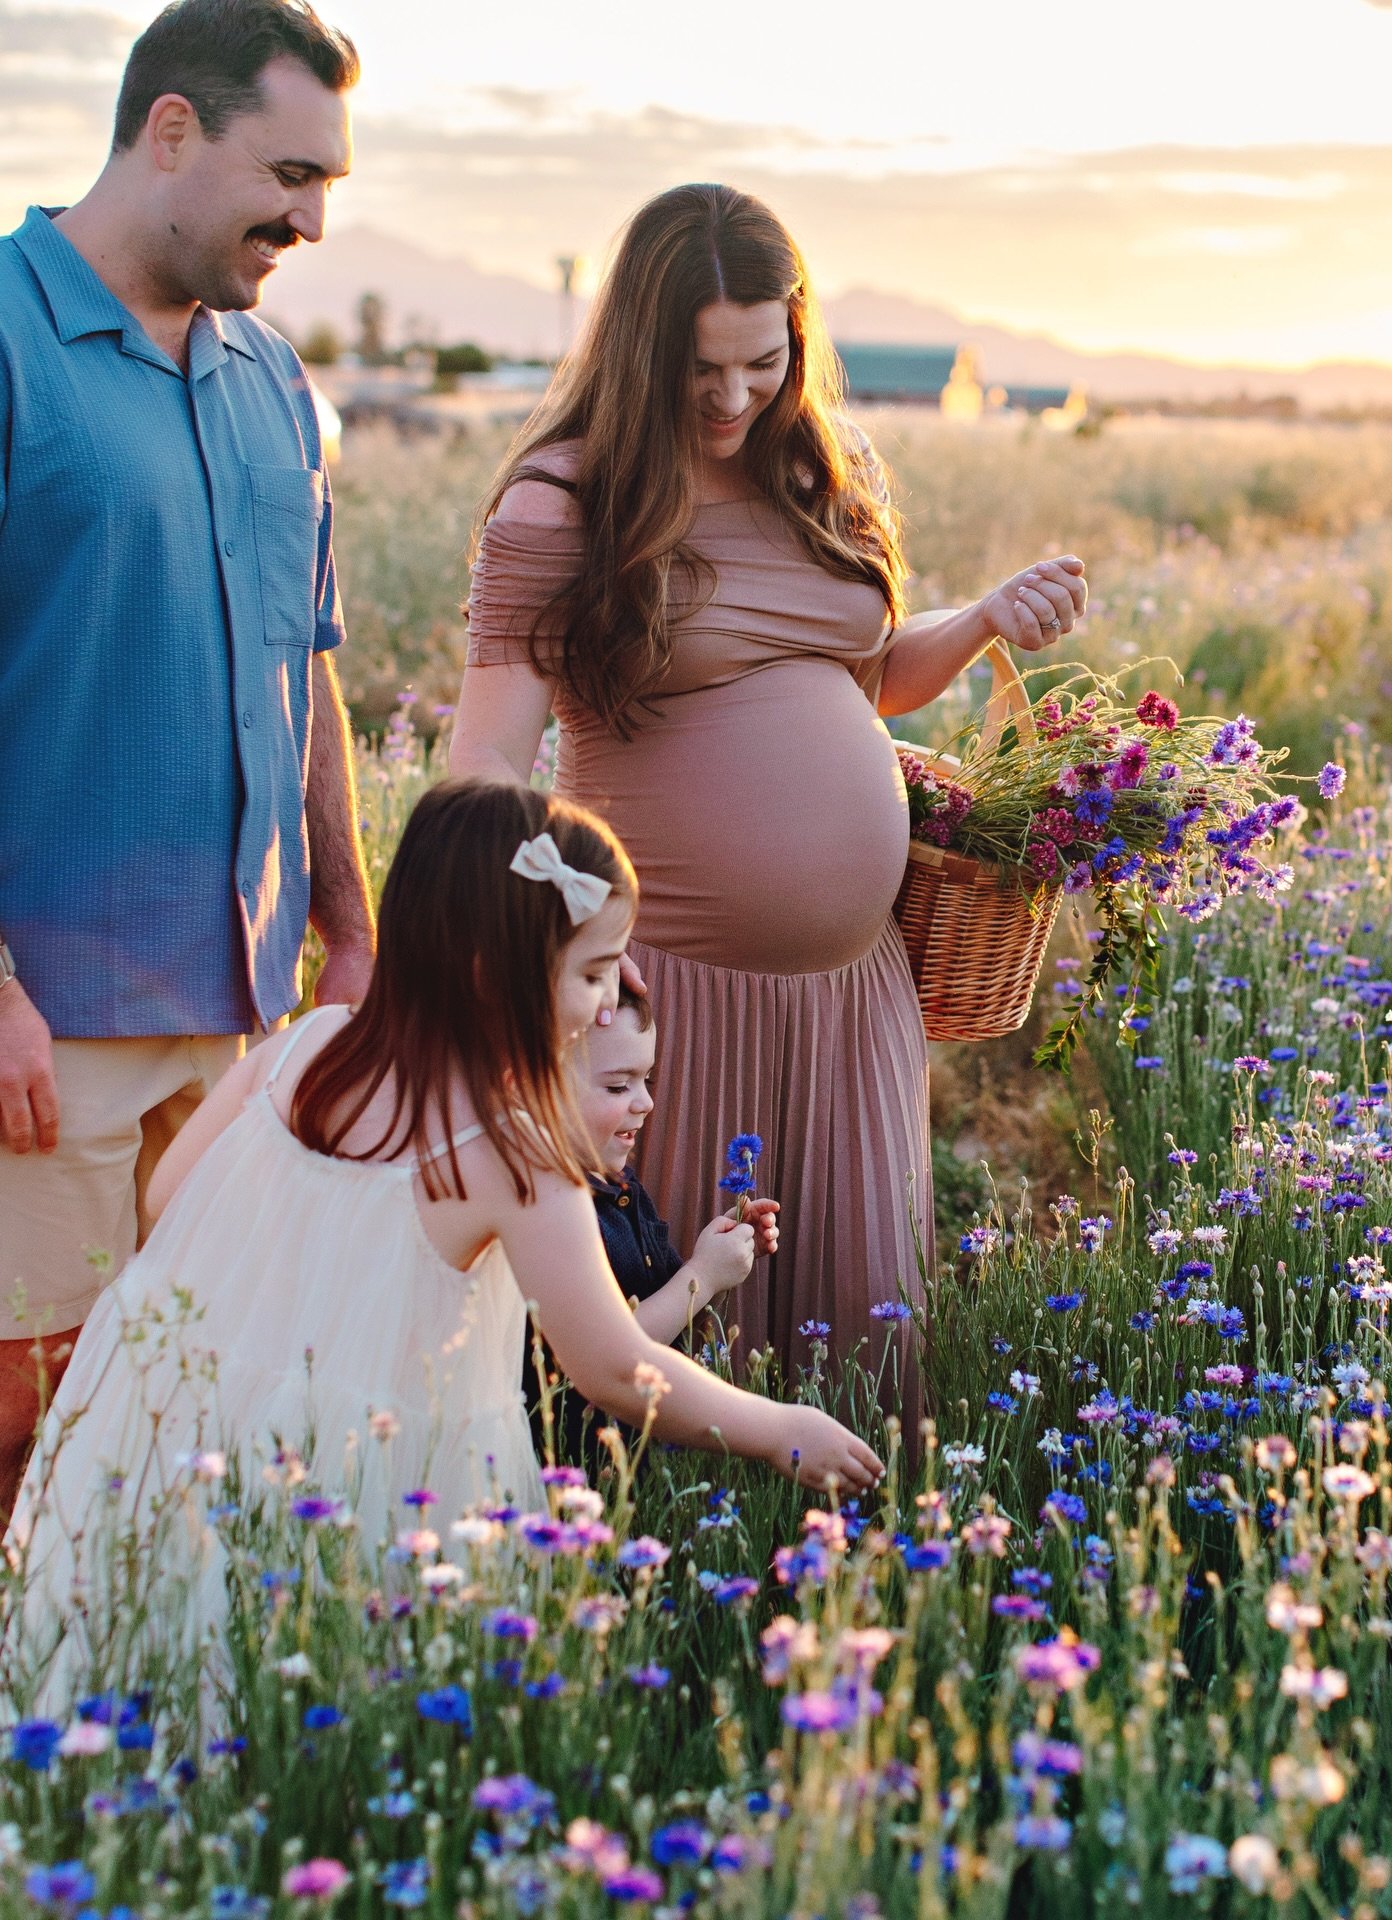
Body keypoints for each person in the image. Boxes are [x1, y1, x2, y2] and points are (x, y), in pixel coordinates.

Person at [7, 782, 882, 1703]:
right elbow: (616, 1368)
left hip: (184, 1424)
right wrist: (777, 1430)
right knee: (342, 1689)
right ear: (486, 972)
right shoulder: (515, 1155)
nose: (605, 1004)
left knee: (177, 1681)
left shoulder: (309, 1049)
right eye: (593, 975)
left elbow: (166, 1192)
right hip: (370, 1474)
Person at [449, 182, 1086, 1383]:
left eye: (762, 360)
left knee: (853, 1340)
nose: (735, 396)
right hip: (668, 997)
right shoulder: (565, 503)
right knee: (674, 1342)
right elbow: (482, 758)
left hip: (854, 997)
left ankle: (837, 1570)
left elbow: (863, 676)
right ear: (640, 349)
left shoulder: (815, 477)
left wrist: (985, 617)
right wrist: (556, 944)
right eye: (701, 368)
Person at [0, 0, 376, 1511]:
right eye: (291, 172)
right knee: (30, 1432)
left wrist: (352, 927)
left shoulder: (275, 382)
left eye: (332, 183)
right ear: (170, 130)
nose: (314, 218)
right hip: (47, 1033)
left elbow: (310, 675)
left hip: (246, 1015)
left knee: (185, 1434)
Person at [528, 982, 780, 1461]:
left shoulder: (621, 1188)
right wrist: (701, 1278)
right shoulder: (551, 1209)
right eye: (619, 1086)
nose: (644, 1102)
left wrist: (715, 1254)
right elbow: (610, 1350)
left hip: (641, 1454)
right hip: (579, 1464)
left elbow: (661, 1301)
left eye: (647, 1080)